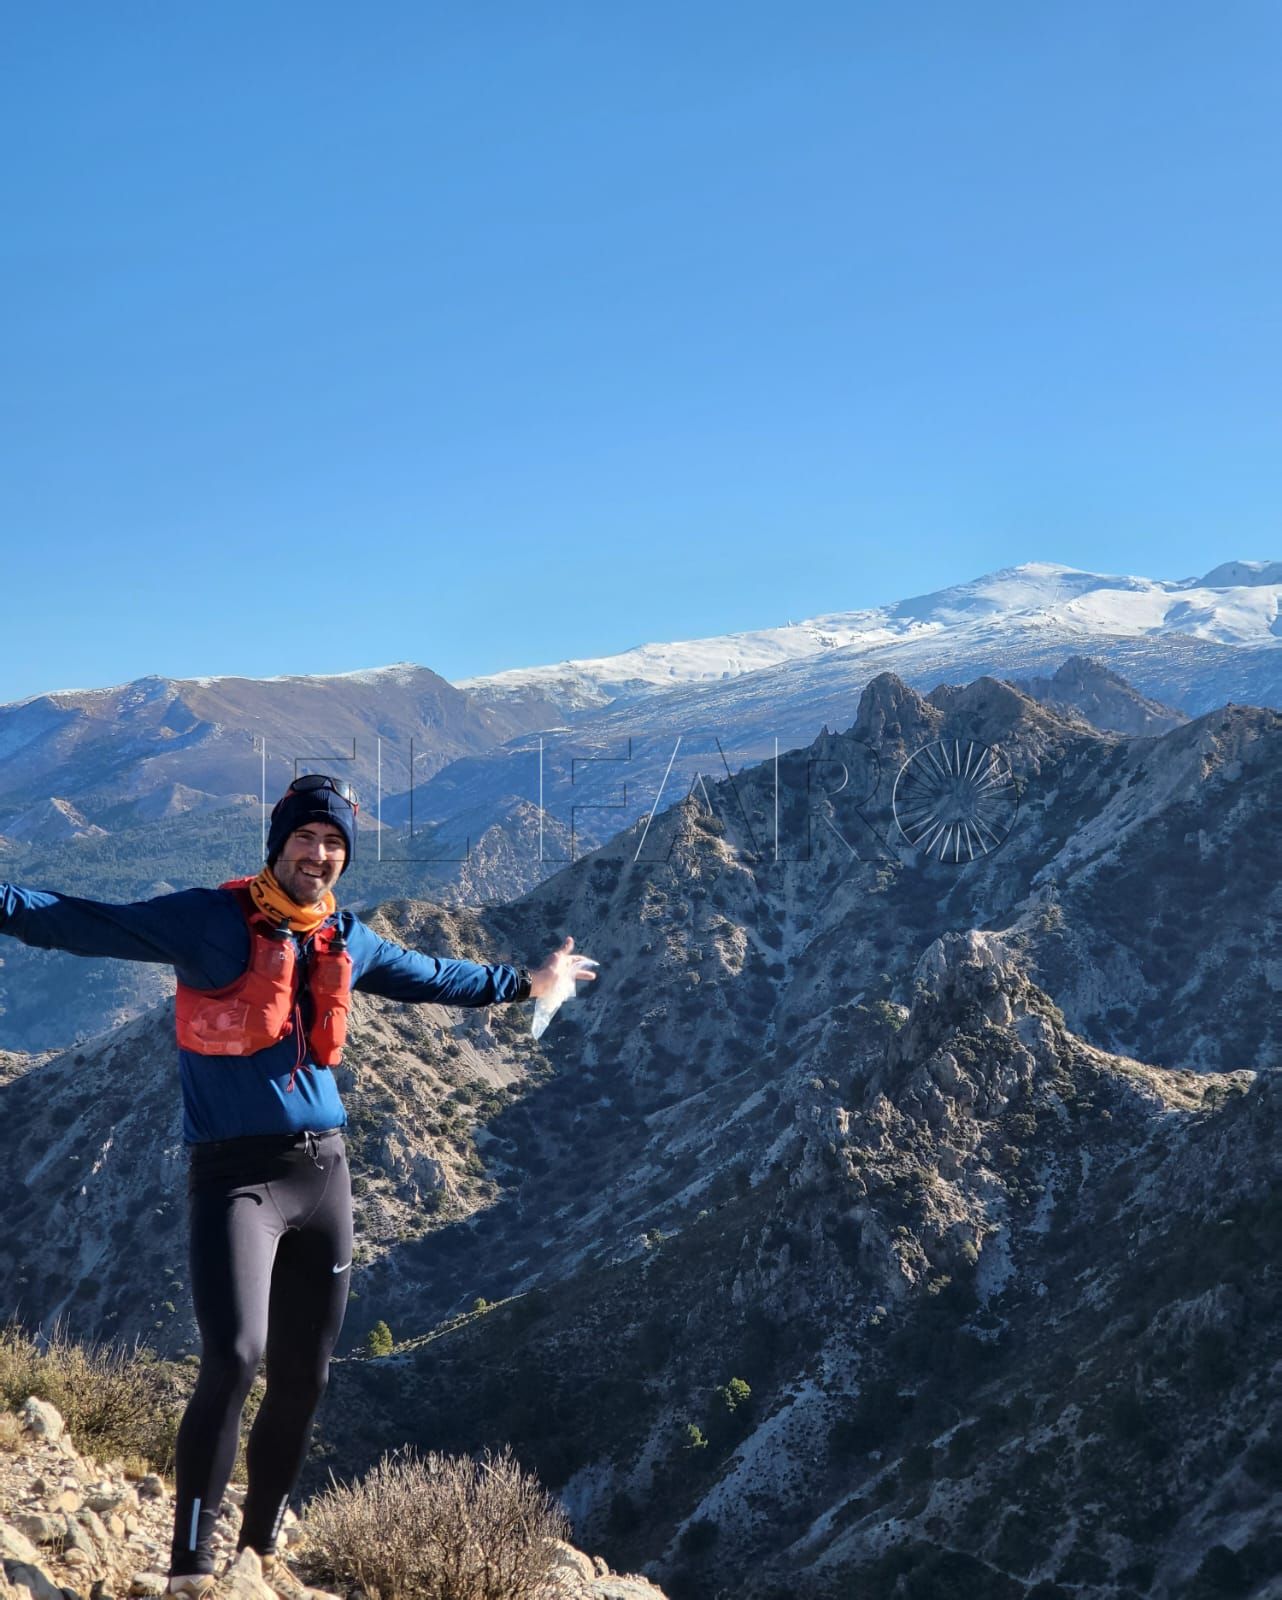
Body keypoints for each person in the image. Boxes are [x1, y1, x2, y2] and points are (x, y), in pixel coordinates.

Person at [0, 774, 596, 1600]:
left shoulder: (346, 936)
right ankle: (189, 1569)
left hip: (325, 1175)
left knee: (306, 1375)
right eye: (306, 839)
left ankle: (262, 1542)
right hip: (234, 1179)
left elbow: (434, 975)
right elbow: (79, 922)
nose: (319, 855)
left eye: (334, 844)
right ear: (277, 844)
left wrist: (529, 982)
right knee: (236, 1356)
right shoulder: (208, 921)